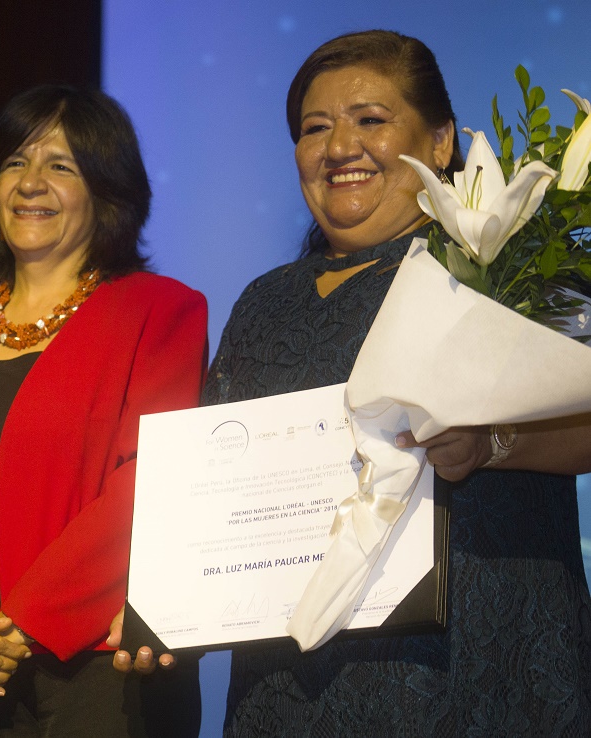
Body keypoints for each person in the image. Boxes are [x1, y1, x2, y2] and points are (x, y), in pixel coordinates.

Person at [115, 30, 591, 735]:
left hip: (474, 664)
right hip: (294, 681)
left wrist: (491, 443)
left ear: (439, 143)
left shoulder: (506, 266)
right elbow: (212, 488)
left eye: (370, 120)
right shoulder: (264, 301)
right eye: (315, 129)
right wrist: (165, 611)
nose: (339, 147)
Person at [0, 85, 207, 736]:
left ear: (108, 191)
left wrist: (18, 624)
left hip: (104, 668)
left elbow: (148, 485)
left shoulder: (161, 312)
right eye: (15, 162)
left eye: (60, 165)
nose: (31, 182)